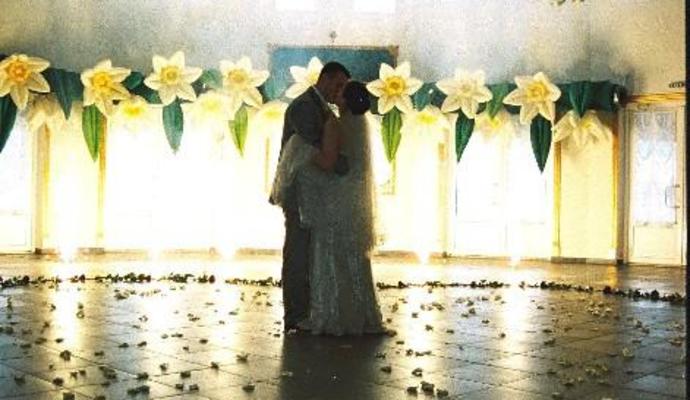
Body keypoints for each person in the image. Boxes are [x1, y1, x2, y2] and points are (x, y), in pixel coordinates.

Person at [272, 81, 385, 335]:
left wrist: (301, 149)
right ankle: (359, 314)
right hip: (353, 202)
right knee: (353, 257)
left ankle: (333, 314)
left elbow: (327, 162)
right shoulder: (361, 125)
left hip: (335, 203)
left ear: (345, 100)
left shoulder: (335, 124)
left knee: (329, 254)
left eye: (340, 91)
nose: (336, 93)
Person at [270, 61, 350, 332]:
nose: (340, 91)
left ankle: (305, 310)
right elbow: (316, 144)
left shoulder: (320, 106)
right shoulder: (304, 106)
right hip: (299, 190)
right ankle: (294, 314)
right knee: (297, 251)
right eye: (338, 84)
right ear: (324, 78)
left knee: (305, 250)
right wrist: (344, 164)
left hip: (311, 190)